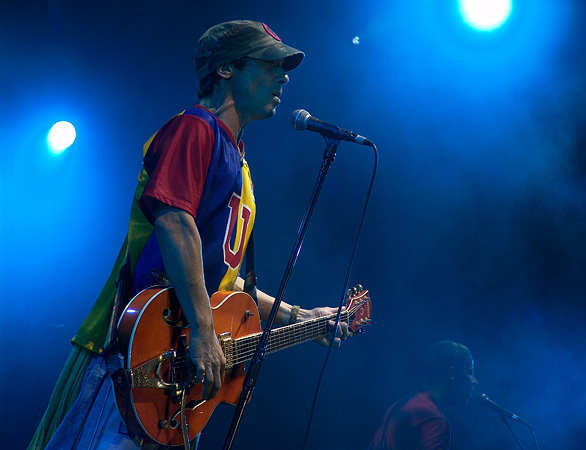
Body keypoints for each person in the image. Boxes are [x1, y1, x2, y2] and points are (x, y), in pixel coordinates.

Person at [29, 20, 348, 450]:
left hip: (179, 372)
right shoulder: (195, 129)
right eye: (270, 64)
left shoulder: (240, 164)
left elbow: (221, 280)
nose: (283, 76)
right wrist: (201, 327)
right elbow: (174, 222)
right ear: (227, 69)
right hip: (144, 353)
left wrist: (298, 316)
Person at [368, 341, 477, 450]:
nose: (474, 381)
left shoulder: (398, 406)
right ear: (452, 374)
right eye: (470, 373)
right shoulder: (433, 419)